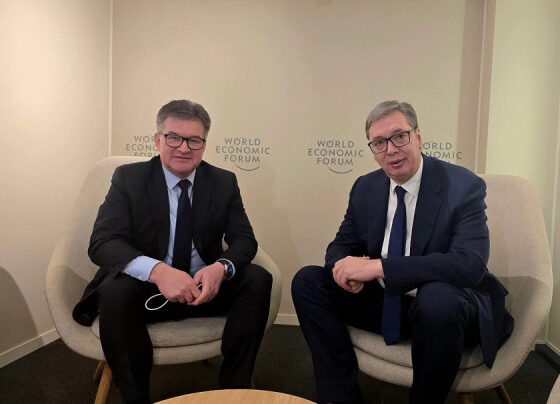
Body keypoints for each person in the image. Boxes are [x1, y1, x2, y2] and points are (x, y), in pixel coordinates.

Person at [291, 100, 513, 404]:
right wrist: (344, 268)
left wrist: (379, 268)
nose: (391, 150)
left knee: (437, 299)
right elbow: (341, 246)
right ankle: (341, 397)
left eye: (399, 136)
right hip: (387, 301)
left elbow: (469, 264)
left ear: (418, 137)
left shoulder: (462, 186)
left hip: (446, 311)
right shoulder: (366, 187)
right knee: (308, 281)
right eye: (379, 142)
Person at [72, 99, 272, 404]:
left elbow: (244, 239)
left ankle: (234, 390)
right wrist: (158, 271)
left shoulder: (223, 182)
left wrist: (221, 267)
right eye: (174, 138)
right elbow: (103, 241)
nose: (184, 148)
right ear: (158, 140)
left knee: (257, 279)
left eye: (194, 140)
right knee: (114, 291)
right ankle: (136, 397)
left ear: (204, 144)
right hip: (147, 289)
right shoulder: (129, 178)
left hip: (204, 288)